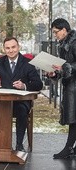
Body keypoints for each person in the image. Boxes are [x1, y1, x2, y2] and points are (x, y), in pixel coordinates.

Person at [0, 37, 43, 151]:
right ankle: (1, 143)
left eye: (13, 47)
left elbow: (38, 84)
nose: (11, 50)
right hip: (3, 101)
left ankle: (19, 145)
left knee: (21, 110)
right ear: (4, 49)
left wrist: (24, 85)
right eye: (7, 48)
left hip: (21, 101)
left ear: (18, 47)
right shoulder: (0, 62)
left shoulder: (27, 63)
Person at [48, 18, 76, 159]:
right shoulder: (63, 44)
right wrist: (55, 72)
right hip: (70, 86)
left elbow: (70, 65)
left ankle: (68, 148)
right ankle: (72, 148)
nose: (55, 35)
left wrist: (64, 67)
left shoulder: (74, 43)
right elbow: (65, 67)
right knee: (73, 118)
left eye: (56, 32)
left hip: (74, 87)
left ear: (64, 30)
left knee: (74, 119)